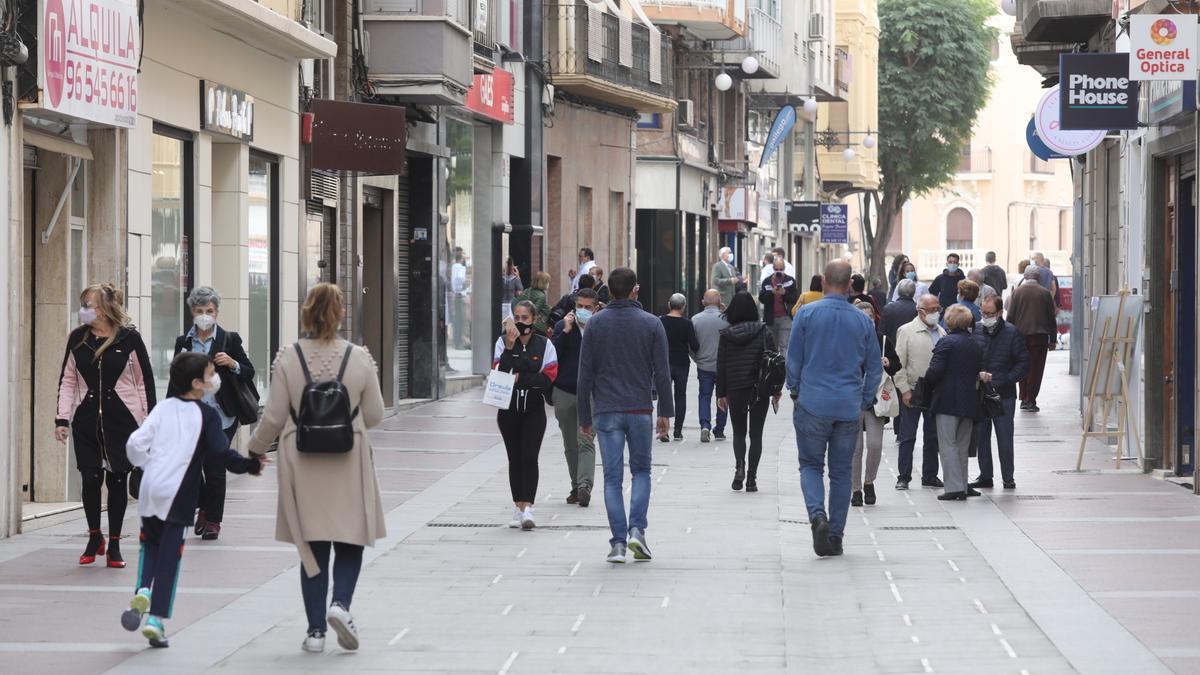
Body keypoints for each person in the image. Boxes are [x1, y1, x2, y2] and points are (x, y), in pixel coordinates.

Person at [247, 283, 386, 654]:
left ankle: (315, 633)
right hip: (349, 458)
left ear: (306, 312)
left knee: (313, 546)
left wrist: (254, 449)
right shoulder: (359, 358)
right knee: (350, 538)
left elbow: (274, 417)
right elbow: (375, 415)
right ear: (340, 314)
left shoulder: (288, 358)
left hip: (301, 460)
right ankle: (340, 605)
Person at [121, 352, 267, 648]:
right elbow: (221, 454)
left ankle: (142, 591)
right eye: (212, 373)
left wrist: (147, 465)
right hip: (178, 495)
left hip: (150, 490)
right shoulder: (207, 415)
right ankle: (156, 620)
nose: (215, 377)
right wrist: (250, 465)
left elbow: (135, 443)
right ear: (198, 383)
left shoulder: (162, 408)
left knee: (150, 546)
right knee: (170, 560)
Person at [577, 267, 673, 564]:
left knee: (611, 479)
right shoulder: (652, 323)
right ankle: (637, 532)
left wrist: (584, 417)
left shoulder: (595, 324)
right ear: (635, 290)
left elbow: (585, 376)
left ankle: (618, 543)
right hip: (640, 409)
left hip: (606, 410)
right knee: (642, 472)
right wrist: (666, 412)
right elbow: (662, 371)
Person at [56, 283, 155, 569]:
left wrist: (147, 424)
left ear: (104, 309)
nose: (84, 310)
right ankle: (94, 536)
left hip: (123, 420)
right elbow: (68, 379)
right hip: (87, 419)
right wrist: (62, 418)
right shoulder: (77, 339)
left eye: (89, 305)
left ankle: (114, 544)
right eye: (83, 304)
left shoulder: (129, 339)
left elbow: (144, 383)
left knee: (117, 481)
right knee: (89, 479)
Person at [787, 261, 882, 557]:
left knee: (811, 465)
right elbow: (875, 369)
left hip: (813, 402)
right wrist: (864, 400)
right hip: (848, 405)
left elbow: (794, 359)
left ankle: (818, 516)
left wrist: (795, 389)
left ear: (825, 281)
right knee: (841, 472)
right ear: (851, 284)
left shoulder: (806, 314)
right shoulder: (863, 321)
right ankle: (836, 536)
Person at [168, 286, 257, 541]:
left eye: (209, 310)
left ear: (217, 312)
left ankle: (213, 521)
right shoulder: (183, 342)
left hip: (222, 416)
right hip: (191, 416)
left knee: (216, 468)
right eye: (199, 311)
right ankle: (204, 506)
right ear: (192, 313)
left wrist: (233, 363)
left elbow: (249, 372)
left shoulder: (230, 339)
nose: (204, 315)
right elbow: (176, 379)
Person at [494, 301, 559, 528]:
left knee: (530, 457)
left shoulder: (545, 344)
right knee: (515, 458)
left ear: (533, 320)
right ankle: (517, 506)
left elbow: (547, 379)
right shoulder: (502, 343)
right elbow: (499, 374)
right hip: (508, 409)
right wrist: (511, 349)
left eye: (525, 318)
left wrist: (520, 377)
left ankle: (528, 507)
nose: (520, 323)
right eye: (517, 318)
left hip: (533, 409)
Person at [716, 291, 779, 493]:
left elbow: (721, 366)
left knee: (739, 432)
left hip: (736, 388)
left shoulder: (726, 335)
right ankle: (752, 478)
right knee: (756, 434)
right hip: (759, 388)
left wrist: (721, 393)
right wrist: (776, 389)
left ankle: (739, 468)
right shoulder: (764, 331)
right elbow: (775, 361)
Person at [922, 305, 984, 501]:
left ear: (949, 321)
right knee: (962, 445)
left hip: (947, 400)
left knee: (948, 443)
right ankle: (963, 485)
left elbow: (934, 372)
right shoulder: (974, 344)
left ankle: (954, 487)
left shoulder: (946, 343)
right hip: (969, 401)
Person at [970, 295, 1029, 491]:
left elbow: (1023, 363)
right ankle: (985, 476)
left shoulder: (1012, 333)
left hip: (1004, 393)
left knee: (1004, 436)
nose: (985, 317)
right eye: (983, 313)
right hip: (980, 393)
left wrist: (1005, 379)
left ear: (999, 313)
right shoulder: (976, 329)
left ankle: (1008, 477)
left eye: (989, 313)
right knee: (982, 437)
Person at [894, 294, 946, 490]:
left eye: (937, 308)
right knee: (908, 435)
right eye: (931, 309)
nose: (936, 313)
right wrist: (904, 390)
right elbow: (898, 364)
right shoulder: (906, 331)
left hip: (935, 391)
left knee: (932, 435)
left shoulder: (941, 332)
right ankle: (904, 476)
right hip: (913, 389)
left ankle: (930, 475)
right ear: (920, 311)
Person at [552, 290, 599, 507]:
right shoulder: (564, 327)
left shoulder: (601, 328)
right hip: (565, 391)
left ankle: (585, 486)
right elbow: (553, 357)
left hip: (591, 394)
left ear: (596, 308)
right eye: (580, 306)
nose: (583, 310)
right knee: (570, 443)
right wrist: (566, 331)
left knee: (586, 440)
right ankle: (575, 486)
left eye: (588, 307)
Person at [851, 301, 899, 507]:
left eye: (870, 317)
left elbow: (897, 364)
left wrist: (889, 363)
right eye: (862, 317)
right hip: (852, 400)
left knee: (875, 445)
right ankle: (855, 490)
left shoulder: (883, 340)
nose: (867, 321)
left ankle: (869, 481)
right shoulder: (847, 341)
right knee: (855, 449)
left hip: (876, 399)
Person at [1007, 265, 1057, 412]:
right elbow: (1051, 317)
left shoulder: (1017, 293)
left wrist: (1007, 337)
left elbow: (1010, 316)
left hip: (1020, 337)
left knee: (1022, 367)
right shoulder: (1045, 293)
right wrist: (1053, 339)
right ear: (1038, 278)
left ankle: (1023, 397)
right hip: (1039, 338)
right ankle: (1031, 399)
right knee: (1036, 369)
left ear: (1025, 276)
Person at [659, 294, 699, 442]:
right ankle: (677, 430)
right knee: (680, 395)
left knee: (664, 395)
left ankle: (663, 430)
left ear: (669, 305)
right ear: (683, 307)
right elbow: (695, 345)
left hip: (664, 362)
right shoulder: (687, 324)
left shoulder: (661, 321)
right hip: (682, 363)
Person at [691, 289, 729, 443]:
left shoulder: (695, 319)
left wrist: (697, 359)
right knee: (723, 396)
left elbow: (691, 345)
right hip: (723, 366)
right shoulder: (727, 319)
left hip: (704, 365)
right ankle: (719, 430)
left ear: (703, 302)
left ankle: (705, 424)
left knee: (704, 396)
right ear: (720, 302)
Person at [759, 258, 799, 355]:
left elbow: (795, 298)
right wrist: (771, 293)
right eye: (776, 269)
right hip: (770, 318)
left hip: (786, 317)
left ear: (784, 269)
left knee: (784, 345)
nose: (779, 272)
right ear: (773, 268)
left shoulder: (790, 281)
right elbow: (762, 298)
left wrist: (785, 293)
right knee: (772, 347)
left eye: (781, 269)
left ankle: (783, 369)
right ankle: (774, 369)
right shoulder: (767, 281)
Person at [512, 271, 552, 336]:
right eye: (547, 282)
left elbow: (514, 301)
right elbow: (534, 311)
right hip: (538, 327)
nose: (548, 284)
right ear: (543, 283)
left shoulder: (527, 290)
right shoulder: (541, 296)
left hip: (525, 325)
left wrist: (517, 315)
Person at [882, 279, 918, 348]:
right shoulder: (918, 309)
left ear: (898, 292)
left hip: (891, 348)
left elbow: (882, 332)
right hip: (911, 347)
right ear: (913, 292)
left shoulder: (888, 308)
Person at [450, 247, 470, 349]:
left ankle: (459, 342)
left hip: (456, 296)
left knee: (457, 321)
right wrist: (466, 284)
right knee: (464, 321)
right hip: (461, 296)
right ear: (461, 258)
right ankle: (462, 342)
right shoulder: (460, 268)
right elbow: (460, 282)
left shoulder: (453, 267)